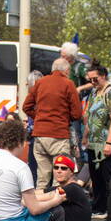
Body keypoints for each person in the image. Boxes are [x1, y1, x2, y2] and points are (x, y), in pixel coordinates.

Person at [22, 57, 83, 190]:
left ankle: (39, 206)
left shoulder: (40, 83)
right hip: (59, 134)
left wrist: (38, 117)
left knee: (42, 177)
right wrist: (66, 118)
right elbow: (77, 113)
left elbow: (26, 106)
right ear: (67, 70)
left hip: (40, 135)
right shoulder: (68, 84)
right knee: (59, 177)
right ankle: (57, 209)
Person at [84, 64, 111, 218]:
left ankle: (109, 208)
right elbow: (90, 116)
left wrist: (109, 142)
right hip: (94, 142)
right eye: (90, 79)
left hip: (108, 143)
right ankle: (98, 206)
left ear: (103, 76)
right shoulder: (94, 92)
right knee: (96, 177)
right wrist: (85, 136)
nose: (92, 82)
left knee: (108, 177)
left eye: (95, 79)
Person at [49, 154, 91, 221]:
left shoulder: (73, 188)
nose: (59, 171)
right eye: (56, 167)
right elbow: (40, 192)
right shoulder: (62, 187)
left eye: (63, 168)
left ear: (71, 172)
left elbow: (43, 197)